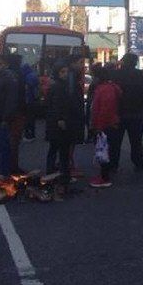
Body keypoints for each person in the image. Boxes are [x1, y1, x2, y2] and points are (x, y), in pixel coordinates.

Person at [44, 59, 85, 190]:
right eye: (62, 72)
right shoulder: (59, 87)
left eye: (66, 71)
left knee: (56, 150)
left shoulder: (59, 86)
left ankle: (52, 175)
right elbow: (56, 105)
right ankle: (61, 176)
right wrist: (61, 119)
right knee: (61, 151)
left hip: (55, 124)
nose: (65, 74)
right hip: (60, 125)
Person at [110, 53, 143, 172]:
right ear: (135, 62)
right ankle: (138, 162)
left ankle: (113, 164)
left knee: (115, 141)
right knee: (136, 141)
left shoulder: (116, 74)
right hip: (137, 113)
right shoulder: (140, 74)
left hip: (119, 112)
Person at [87, 64, 120, 188]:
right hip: (110, 123)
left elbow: (103, 110)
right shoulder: (111, 88)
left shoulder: (103, 89)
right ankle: (104, 175)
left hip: (105, 124)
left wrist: (97, 126)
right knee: (106, 149)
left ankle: (104, 177)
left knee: (103, 150)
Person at [0, 54, 18, 176]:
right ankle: (3, 171)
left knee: (2, 146)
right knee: (1, 145)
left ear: (6, 65)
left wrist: (6, 118)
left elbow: (10, 100)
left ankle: (4, 173)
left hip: (3, 118)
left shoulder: (8, 78)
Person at [6, 54, 27, 172]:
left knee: (11, 141)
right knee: (14, 141)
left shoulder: (9, 73)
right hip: (16, 112)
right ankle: (13, 167)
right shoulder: (17, 75)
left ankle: (10, 166)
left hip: (12, 112)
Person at [21, 62, 40, 141]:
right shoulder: (33, 75)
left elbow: (26, 89)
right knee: (31, 118)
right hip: (33, 100)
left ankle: (28, 135)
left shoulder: (27, 77)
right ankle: (32, 134)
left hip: (28, 100)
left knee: (27, 119)